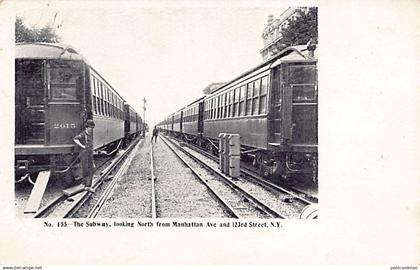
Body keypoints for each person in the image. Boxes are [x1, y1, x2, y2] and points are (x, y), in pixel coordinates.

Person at [73, 119, 95, 193]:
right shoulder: (83, 134)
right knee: (85, 169)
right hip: (84, 154)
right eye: (90, 128)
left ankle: (87, 185)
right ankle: (85, 185)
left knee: (91, 168)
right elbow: (75, 139)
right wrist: (82, 146)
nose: (91, 130)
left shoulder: (90, 134)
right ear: (87, 127)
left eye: (92, 128)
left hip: (90, 153)